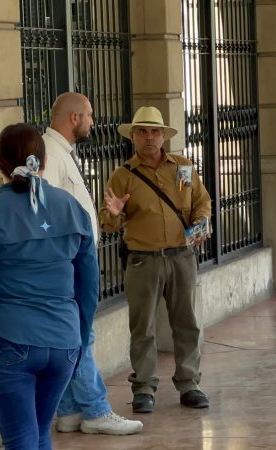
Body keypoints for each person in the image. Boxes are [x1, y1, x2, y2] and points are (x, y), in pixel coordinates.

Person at [0, 123, 100, 450]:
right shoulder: (74, 210)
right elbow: (88, 286)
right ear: (42, 164)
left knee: (22, 439)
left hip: (5, 341)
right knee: (39, 435)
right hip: (63, 343)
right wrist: (80, 341)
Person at [99, 106, 212, 414]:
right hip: (142, 261)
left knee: (186, 323)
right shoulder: (123, 176)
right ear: (133, 136)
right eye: (143, 132)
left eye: (155, 131)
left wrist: (200, 222)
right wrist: (113, 214)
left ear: (164, 136)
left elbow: (201, 201)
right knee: (143, 327)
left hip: (181, 257)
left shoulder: (183, 168)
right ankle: (144, 388)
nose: (149, 137)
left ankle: (190, 383)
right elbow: (107, 223)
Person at [42, 92, 143, 436]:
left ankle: (69, 410)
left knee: (77, 332)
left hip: (76, 260)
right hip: (68, 262)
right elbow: (46, 212)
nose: (92, 122)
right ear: (74, 118)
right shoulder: (48, 153)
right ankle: (97, 409)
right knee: (80, 333)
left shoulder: (62, 152)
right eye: (89, 115)